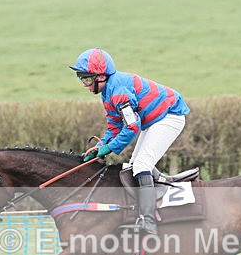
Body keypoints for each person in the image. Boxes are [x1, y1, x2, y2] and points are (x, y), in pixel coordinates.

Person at [70, 48, 190, 235]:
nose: (85, 85)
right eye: (82, 80)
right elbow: (115, 127)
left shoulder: (119, 92)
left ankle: (149, 222)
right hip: (154, 120)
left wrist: (109, 148)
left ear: (101, 77)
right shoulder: (107, 92)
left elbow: (132, 126)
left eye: (87, 79)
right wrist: (100, 146)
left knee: (141, 165)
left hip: (169, 116)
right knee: (134, 166)